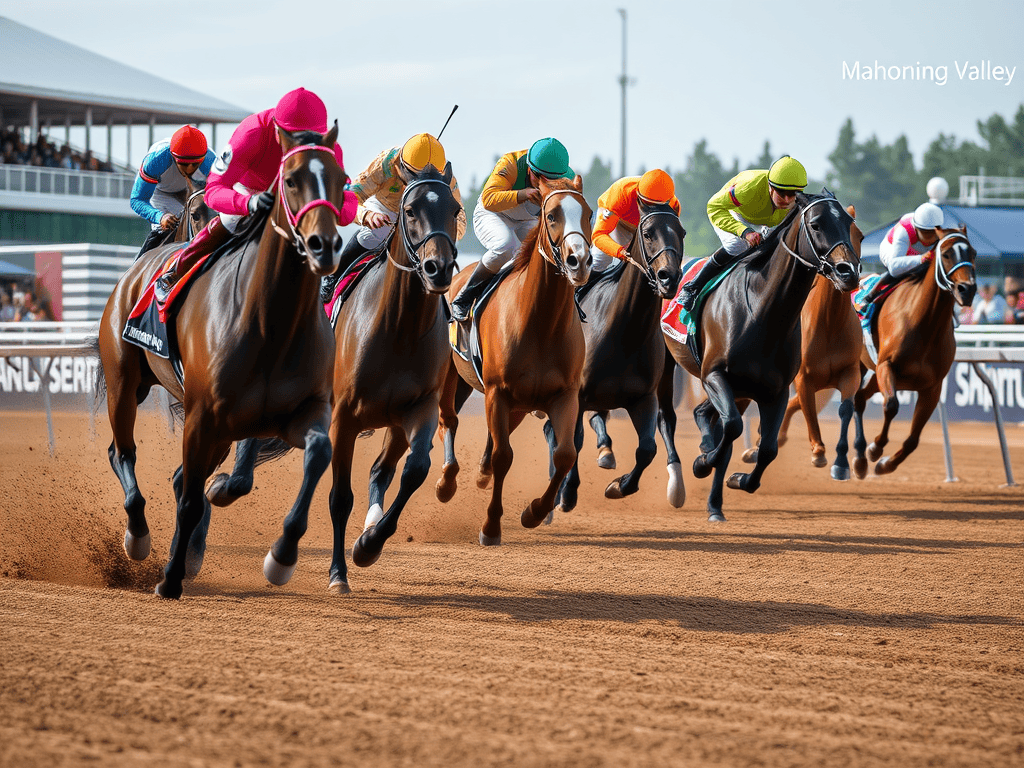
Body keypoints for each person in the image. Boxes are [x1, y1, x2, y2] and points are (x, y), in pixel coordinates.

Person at [152, 87, 357, 305]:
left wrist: (333, 209)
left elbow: (347, 206)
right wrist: (248, 203)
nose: (304, 146)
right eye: (297, 139)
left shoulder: (329, 148)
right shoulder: (252, 132)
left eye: (312, 138)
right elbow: (213, 190)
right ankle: (177, 269)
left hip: (297, 196)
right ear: (277, 130)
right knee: (230, 220)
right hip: (250, 190)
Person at [320, 133, 468, 301]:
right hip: (385, 208)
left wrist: (440, 229)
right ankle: (334, 277)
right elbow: (349, 198)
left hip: (422, 218)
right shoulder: (387, 162)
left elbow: (461, 221)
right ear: (402, 166)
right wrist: (367, 215)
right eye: (412, 177)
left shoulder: (446, 179)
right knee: (372, 235)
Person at [449, 137, 575, 322]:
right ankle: (464, 297)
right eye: (539, 178)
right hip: (492, 214)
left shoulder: (566, 178)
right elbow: (489, 199)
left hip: (526, 220)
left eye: (552, 181)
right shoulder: (510, 163)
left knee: (547, 254)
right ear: (530, 168)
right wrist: (523, 194)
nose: (544, 185)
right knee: (507, 246)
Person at [677, 156, 808, 311]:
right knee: (738, 245)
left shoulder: (798, 201)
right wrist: (744, 232)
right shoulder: (748, 188)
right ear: (770, 187)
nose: (787, 200)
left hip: (767, 220)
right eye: (781, 192)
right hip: (733, 211)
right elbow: (714, 207)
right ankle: (692, 287)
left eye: (792, 194)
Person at [130, 125, 216, 256]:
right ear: (172, 156)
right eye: (184, 164)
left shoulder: (210, 161)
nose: (189, 170)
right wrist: (160, 217)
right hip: (161, 193)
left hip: (194, 192)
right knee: (169, 228)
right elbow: (137, 200)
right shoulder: (156, 160)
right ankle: (136, 270)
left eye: (195, 164)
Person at [854, 202, 945, 313]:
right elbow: (894, 267)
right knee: (899, 272)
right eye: (924, 233)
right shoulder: (904, 231)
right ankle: (870, 296)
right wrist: (920, 259)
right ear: (916, 228)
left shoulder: (943, 234)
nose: (929, 239)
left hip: (916, 254)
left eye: (932, 233)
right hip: (891, 250)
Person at [590, 169, 680, 273]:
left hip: (646, 228)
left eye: (657, 207)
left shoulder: (673, 205)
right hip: (618, 221)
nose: (650, 210)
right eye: (647, 203)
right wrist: (620, 252)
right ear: (637, 193)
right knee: (599, 261)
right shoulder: (620, 194)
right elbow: (599, 235)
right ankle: (580, 286)